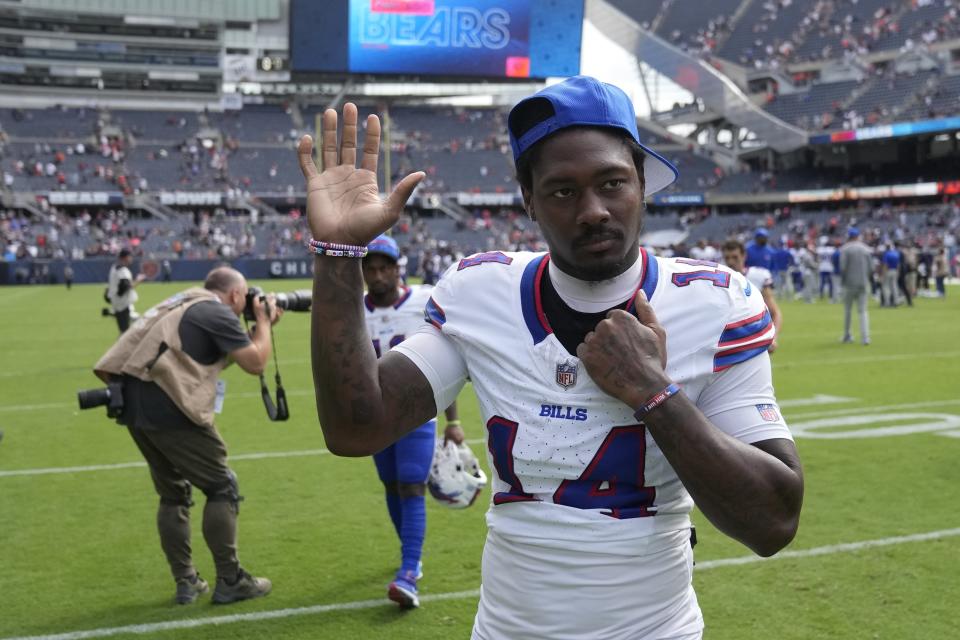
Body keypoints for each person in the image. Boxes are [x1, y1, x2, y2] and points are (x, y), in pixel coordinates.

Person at [299, 75, 803, 639]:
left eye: (612, 182)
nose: (593, 210)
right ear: (529, 200)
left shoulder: (713, 301)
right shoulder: (481, 292)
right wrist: (338, 254)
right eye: (563, 191)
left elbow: (773, 521)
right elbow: (354, 428)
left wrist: (655, 394)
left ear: (641, 182)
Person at [91, 267, 280, 605]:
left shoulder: (183, 302)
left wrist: (252, 333)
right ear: (236, 294)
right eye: (244, 298)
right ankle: (231, 579)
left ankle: (186, 581)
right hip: (169, 406)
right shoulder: (216, 311)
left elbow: (201, 359)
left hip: (134, 405)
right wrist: (264, 324)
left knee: (173, 494)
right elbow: (256, 363)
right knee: (222, 487)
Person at [361, 234, 463, 609]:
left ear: (396, 267)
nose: (377, 274)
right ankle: (409, 552)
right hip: (374, 414)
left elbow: (445, 361)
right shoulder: (357, 308)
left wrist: (453, 421)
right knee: (390, 484)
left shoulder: (422, 301)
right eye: (370, 268)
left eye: (384, 267)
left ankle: (409, 570)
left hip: (417, 409)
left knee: (411, 484)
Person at [721, 239, 783, 353]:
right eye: (727, 258)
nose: (730, 262)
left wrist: (772, 338)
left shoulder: (758, 275)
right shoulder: (718, 280)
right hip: (727, 342)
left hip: (755, 340)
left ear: (744, 256)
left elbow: (775, 312)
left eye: (735, 257)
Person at [840, 228, 873, 345]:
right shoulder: (866, 249)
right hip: (863, 283)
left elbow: (843, 268)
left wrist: (843, 282)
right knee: (863, 311)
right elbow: (871, 268)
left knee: (848, 310)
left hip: (849, 283)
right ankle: (865, 337)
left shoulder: (845, 249)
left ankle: (847, 335)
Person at [106, 248, 146, 333]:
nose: (131, 258)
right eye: (130, 256)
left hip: (116, 302)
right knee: (126, 332)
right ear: (125, 257)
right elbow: (125, 287)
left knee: (124, 330)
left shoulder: (114, 267)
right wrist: (138, 280)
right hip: (123, 304)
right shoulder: (123, 270)